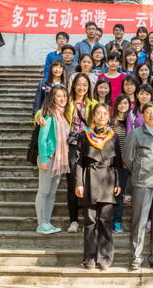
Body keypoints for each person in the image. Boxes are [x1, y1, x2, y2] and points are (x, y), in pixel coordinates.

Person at [75, 103, 121, 270]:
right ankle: (89, 258)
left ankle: (105, 258)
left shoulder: (113, 136)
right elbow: (79, 161)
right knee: (90, 221)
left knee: (105, 220)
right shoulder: (84, 135)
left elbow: (117, 162)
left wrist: (117, 183)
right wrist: (79, 183)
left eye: (104, 113)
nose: (101, 116)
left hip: (108, 179)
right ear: (93, 116)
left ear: (109, 117)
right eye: (98, 113)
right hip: (89, 179)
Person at [123, 102, 153, 271]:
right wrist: (139, 171)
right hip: (142, 183)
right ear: (142, 115)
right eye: (148, 112)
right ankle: (136, 257)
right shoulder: (134, 134)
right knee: (139, 222)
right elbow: (127, 159)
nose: (151, 114)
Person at [66, 73, 99, 233]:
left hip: (88, 146)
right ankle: (73, 220)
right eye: (78, 84)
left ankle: (89, 217)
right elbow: (45, 110)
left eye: (85, 85)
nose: (81, 87)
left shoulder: (93, 104)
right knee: (73, 183)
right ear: (73, 85)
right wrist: (39, 117)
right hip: (71, 146)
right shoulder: (67, 102)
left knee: (88, 182)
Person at [35, 85, 69, 234]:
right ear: (53, 98)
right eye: (58, 96)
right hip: (48, 157)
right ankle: (41, 223)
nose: (62, 99)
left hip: (59, 159)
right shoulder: (49, 115)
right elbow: (42, 139)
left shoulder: (63, 115)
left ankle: (47, 222)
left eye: (64, 96)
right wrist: (43, 158)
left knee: (52, 192)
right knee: (43, 191)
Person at [111, 94, 131, 234]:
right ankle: (108, 220)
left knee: (120, 193)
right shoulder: (111, 121)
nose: (123, 106)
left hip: (125, 162)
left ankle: (117, 221)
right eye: (120, 103)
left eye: (126, 103)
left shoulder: (131, 121)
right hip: (112, 162)